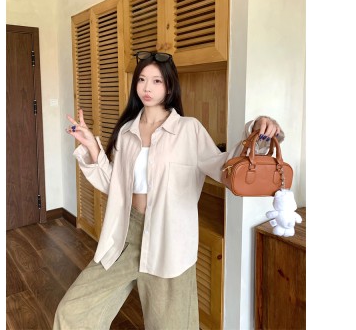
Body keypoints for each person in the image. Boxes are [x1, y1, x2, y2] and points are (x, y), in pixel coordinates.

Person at [53, 51, 284, 330]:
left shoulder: (189, 130)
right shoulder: (126, 132)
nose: (147, 87)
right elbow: (115, 185)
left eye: (156, 81)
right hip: (126, 234)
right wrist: (92, 145)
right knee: (73, 312)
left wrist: (257, 134)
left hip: (170, 240)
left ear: (169, 86)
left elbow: (225, 168)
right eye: (142, 79)